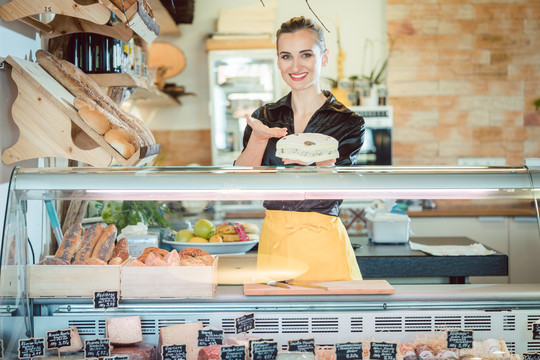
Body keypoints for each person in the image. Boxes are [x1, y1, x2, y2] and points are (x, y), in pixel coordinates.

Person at [235, 16, 365, 281]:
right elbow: (242, 181)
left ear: (324, 58)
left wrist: (320, 162)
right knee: (279, 322)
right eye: (286, 56)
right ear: (278, 60)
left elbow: (339, 189)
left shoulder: (348, 122)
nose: (295, 66)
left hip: (323, 241)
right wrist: (259, 139)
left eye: (306, 55)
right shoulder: (265, 116)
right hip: (275, 241)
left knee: (331, 322)